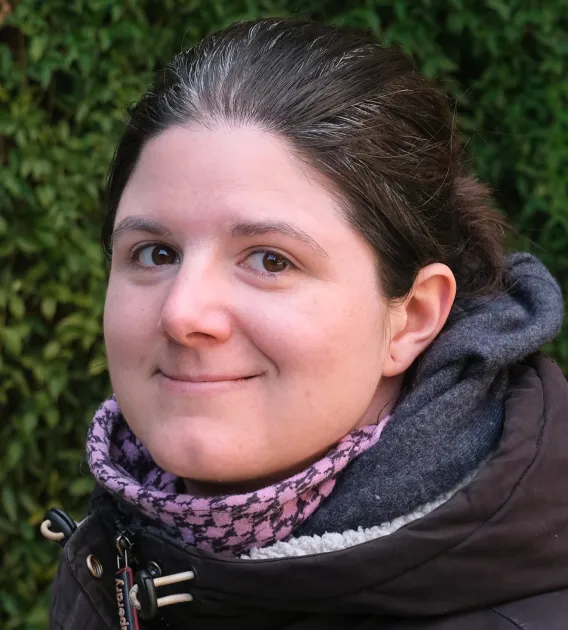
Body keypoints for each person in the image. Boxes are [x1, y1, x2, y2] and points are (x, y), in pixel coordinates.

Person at [42, 18, 567, 630]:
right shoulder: (118, 561)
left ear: (412, 319)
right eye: (155, 253)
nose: (183, 313)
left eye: (270, 260)